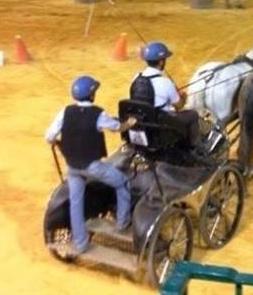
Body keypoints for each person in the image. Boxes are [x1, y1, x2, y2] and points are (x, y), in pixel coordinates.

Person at [44, 75, 135, 255]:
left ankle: (81, 244)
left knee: (76, 202)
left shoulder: (65, 111)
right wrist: (129, 123)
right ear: (92, 95)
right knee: (122, 182)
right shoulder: (98, 114)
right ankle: (123, 223)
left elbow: (49, 137)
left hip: (72, 167)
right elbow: (116, 127)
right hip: (92, 166)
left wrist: (64, 142)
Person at [130, 41, 203, 151]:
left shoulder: (136, 77)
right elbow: (179, 106)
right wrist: (183, 96)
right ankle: (194, 147)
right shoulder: (165, 83)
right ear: (161, 61)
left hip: (141, 122)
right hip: (159, 126)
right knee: (192, 114)